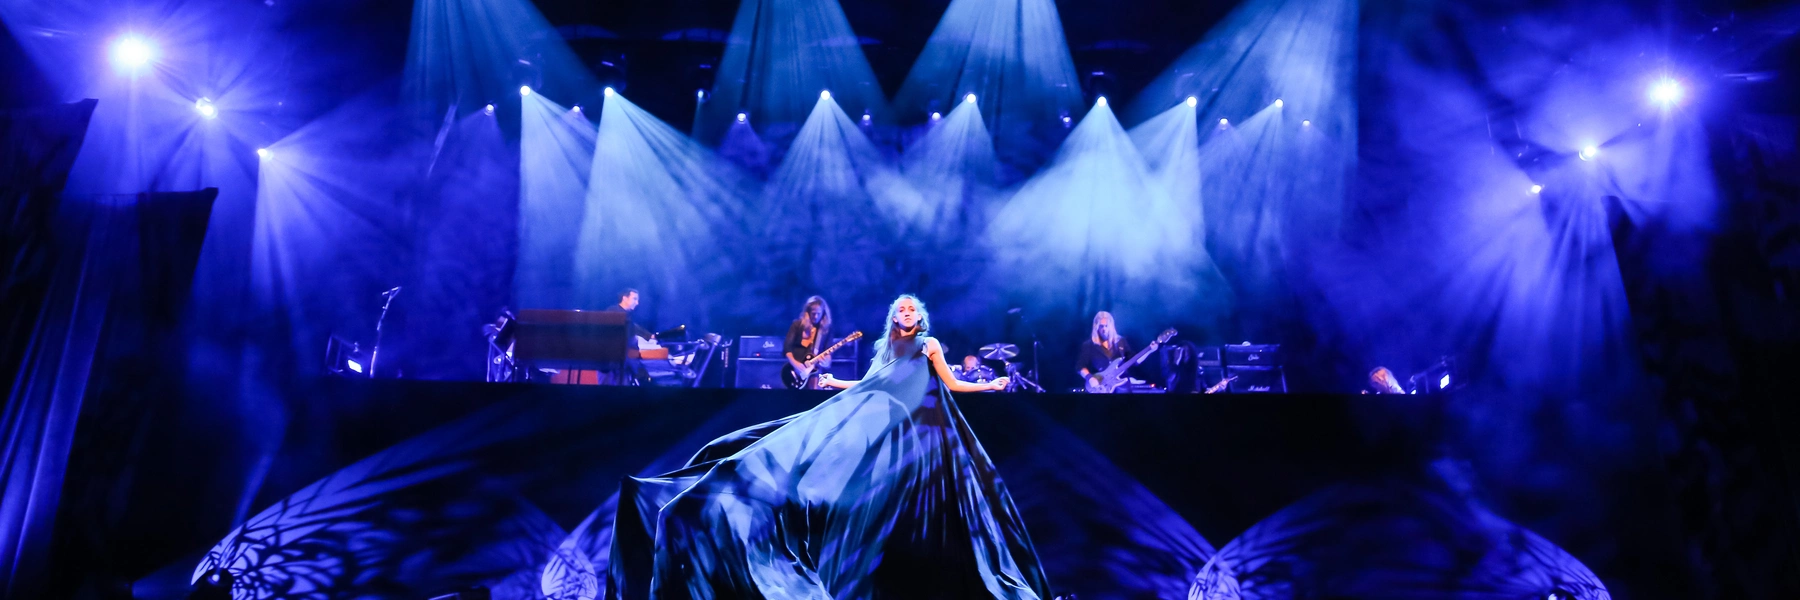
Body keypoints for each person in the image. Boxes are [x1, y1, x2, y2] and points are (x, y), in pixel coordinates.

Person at [607, 295, 1050, 599]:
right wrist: (835, 381)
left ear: (920, 317)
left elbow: (950, 384)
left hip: (918, 427)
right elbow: (869, 384)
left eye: (913, 308)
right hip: (880, 417)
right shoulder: (886, 346)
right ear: (895, 316)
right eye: (901, 308)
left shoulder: (928, 344)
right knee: (789, 447)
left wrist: (987, 384)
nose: (907, 312)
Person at [1076, 311, 1156, 392]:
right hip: (1101, 387)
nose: (1104, 329)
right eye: (1101, 326)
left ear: (1111, 326)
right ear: (1096, 327)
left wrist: (1150, 350)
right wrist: (1090, 378)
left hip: (1122, 388)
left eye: (1106, 326)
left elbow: (1135, 360)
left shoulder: (1121, 341)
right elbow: (1080, 366)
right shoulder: (1089, 345)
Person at [782, 295, 833, 388]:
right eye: (813, 313)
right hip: (794, 369)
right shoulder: (797, 325)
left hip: (814, 371)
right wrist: (795, 364)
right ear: (808, 312)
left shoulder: (826, 330)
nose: (816, 316)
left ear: (823, 313)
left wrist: (827, 362)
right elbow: (787, 347)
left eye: (819, 313)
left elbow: (828, 351)